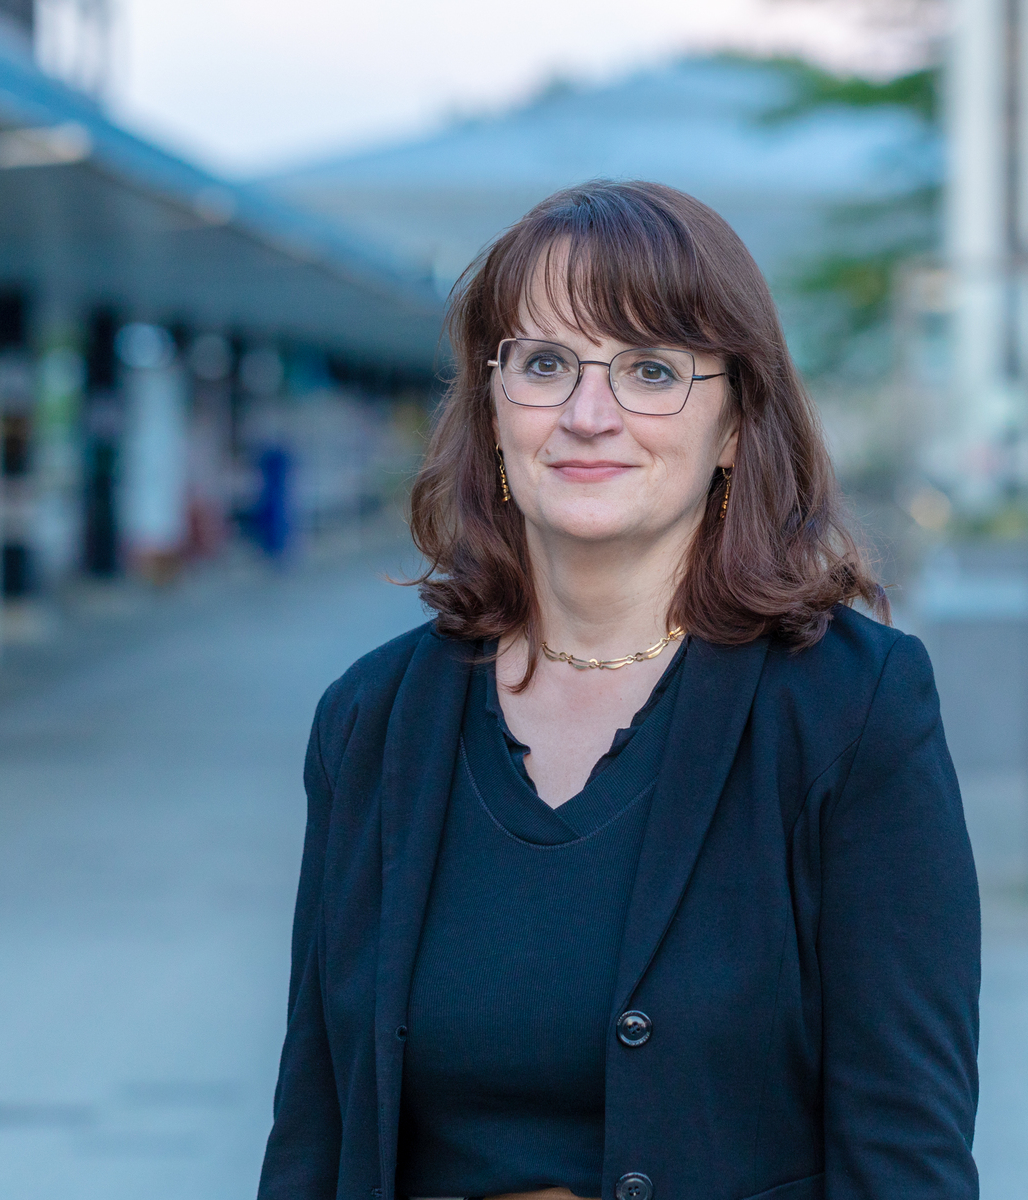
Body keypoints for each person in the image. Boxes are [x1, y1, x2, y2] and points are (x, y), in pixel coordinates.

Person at [257, 180, 980, 1200]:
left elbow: (904, 1149)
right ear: (492, 409)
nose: (588, 415)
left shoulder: (850, 710)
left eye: (650, 370)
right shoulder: (372, 721)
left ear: (734, 425)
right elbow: (316, 1128)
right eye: (545, 364)